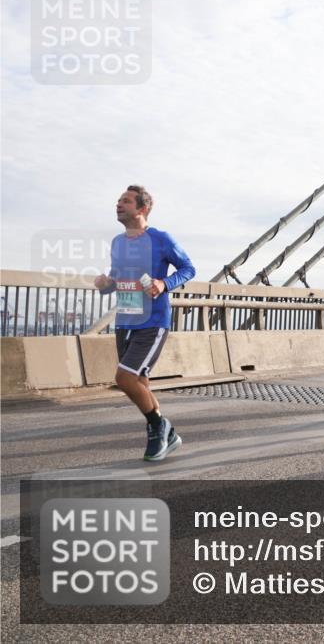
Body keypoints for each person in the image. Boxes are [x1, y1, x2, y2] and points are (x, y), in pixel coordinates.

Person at [94, 185, 195, 461]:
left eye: (125, 201)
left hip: (153, 320)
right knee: (139, 381)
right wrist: (105, 285)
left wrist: (165, 283)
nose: (118, 204)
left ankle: (157, 425)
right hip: (126, 320)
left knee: (124, 378)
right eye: (118, 200)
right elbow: (115, 279)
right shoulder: (118, 242)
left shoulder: (161, 239)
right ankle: (168, 434)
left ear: (142, 209)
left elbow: (188, 269)